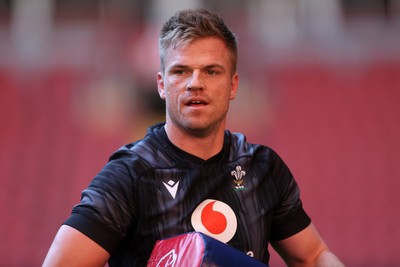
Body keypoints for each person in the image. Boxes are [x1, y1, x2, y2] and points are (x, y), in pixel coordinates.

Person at [43, 8, 344, 267]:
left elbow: (314, 256)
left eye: (211, 71)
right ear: (161, 85)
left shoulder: (263, 168)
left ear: (233, 85)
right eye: (181, 71)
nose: (195, 83)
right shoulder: (129, 176)